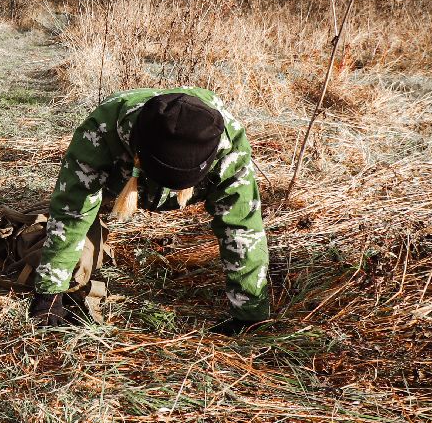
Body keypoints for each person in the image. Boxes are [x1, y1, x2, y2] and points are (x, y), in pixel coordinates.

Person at [30, 88, 269, 335]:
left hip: (169, 172)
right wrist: (49, 293)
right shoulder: (101, 129)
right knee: (77, 228)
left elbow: (243, 226)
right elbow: (73, 210)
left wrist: (250, 314)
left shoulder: (229, 144)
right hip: (120, 178)